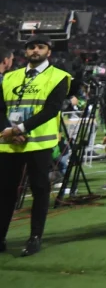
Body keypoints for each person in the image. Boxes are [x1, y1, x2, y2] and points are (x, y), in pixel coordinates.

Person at [0, 38, 72, 256]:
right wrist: (7, 130)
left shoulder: (59, 76)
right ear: (26, 52)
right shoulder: (10, 77)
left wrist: (18, 129)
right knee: (4, 192)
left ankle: (35, 237)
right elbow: (1, 107)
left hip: (38, 143)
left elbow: (51, 110)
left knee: (40, 190)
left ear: (48, 51)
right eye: (31, 47)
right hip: (9, 142)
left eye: (40, 47)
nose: (35, 50)